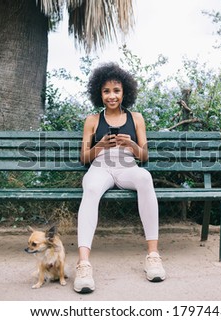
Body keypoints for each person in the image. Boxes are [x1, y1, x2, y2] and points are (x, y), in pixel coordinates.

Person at [73, 62, 166, 294]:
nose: (112, 96)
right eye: (106, 91)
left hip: (127, 166)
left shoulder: (136, 118)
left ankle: (153, 256)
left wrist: (132, 144)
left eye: (116, 90)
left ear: (125, 92)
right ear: (99, 93)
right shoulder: (93, 120)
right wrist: (100, 145)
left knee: (145, 178)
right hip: (100, 167)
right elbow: (84, 157)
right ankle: (83, 264)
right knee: (92, 189)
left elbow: (144, 155)